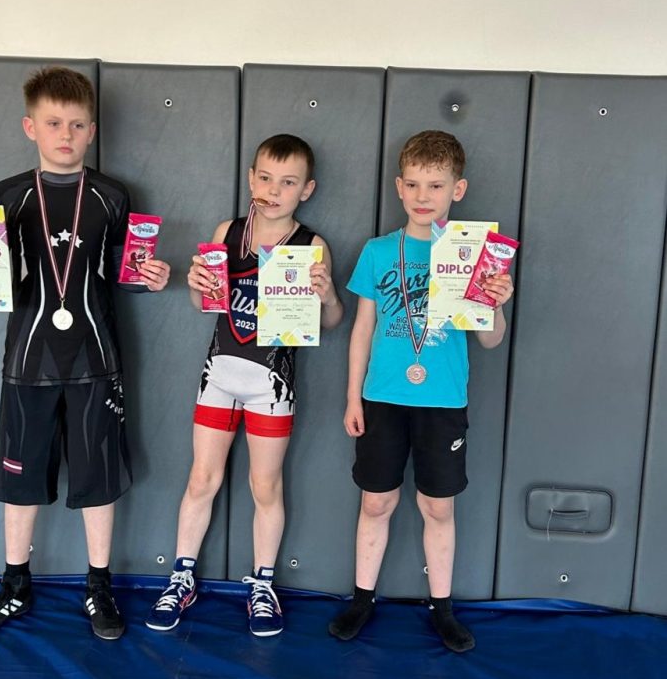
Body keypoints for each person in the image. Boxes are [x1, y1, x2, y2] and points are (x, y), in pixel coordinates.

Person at [0, 66, 170, 640]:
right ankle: (15, 585)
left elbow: (124, 270)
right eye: (54, 123)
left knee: (98, 478)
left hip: (96, 360)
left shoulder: (112, 196)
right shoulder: (8, 195)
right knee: (20, 479)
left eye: (77, 124)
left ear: (92, 131)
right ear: (30, 127)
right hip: (28, 360)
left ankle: (99, 586)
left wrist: (152, 278)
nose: (66, 134)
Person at [145, 134, 343, 637]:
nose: (274, 190)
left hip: (272, 384)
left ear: (307, 189)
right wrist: (195, 286)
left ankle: (263, 584)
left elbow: (331, 323)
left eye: (288, 182)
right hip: (220, 375)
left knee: (265, 485)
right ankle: (182, 577)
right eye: (266, 178)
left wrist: (327, 297)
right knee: (200, 479)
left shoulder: (311, 245)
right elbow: (205, 306)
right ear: (251, 177)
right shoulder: (228, 231)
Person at [328, 130, 515, 651]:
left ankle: (442, 608)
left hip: (442, 400)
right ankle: (362, 599)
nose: (422, 195)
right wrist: (352, 397)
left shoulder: (474, 256)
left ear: (458, 189)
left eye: (435, 185)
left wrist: (496, 304)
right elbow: (362, 330)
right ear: (398, 187)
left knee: (438, 508)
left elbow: (490, 340)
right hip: (383, 398)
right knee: (376, 502)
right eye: (412, 184)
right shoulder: (378, 251)